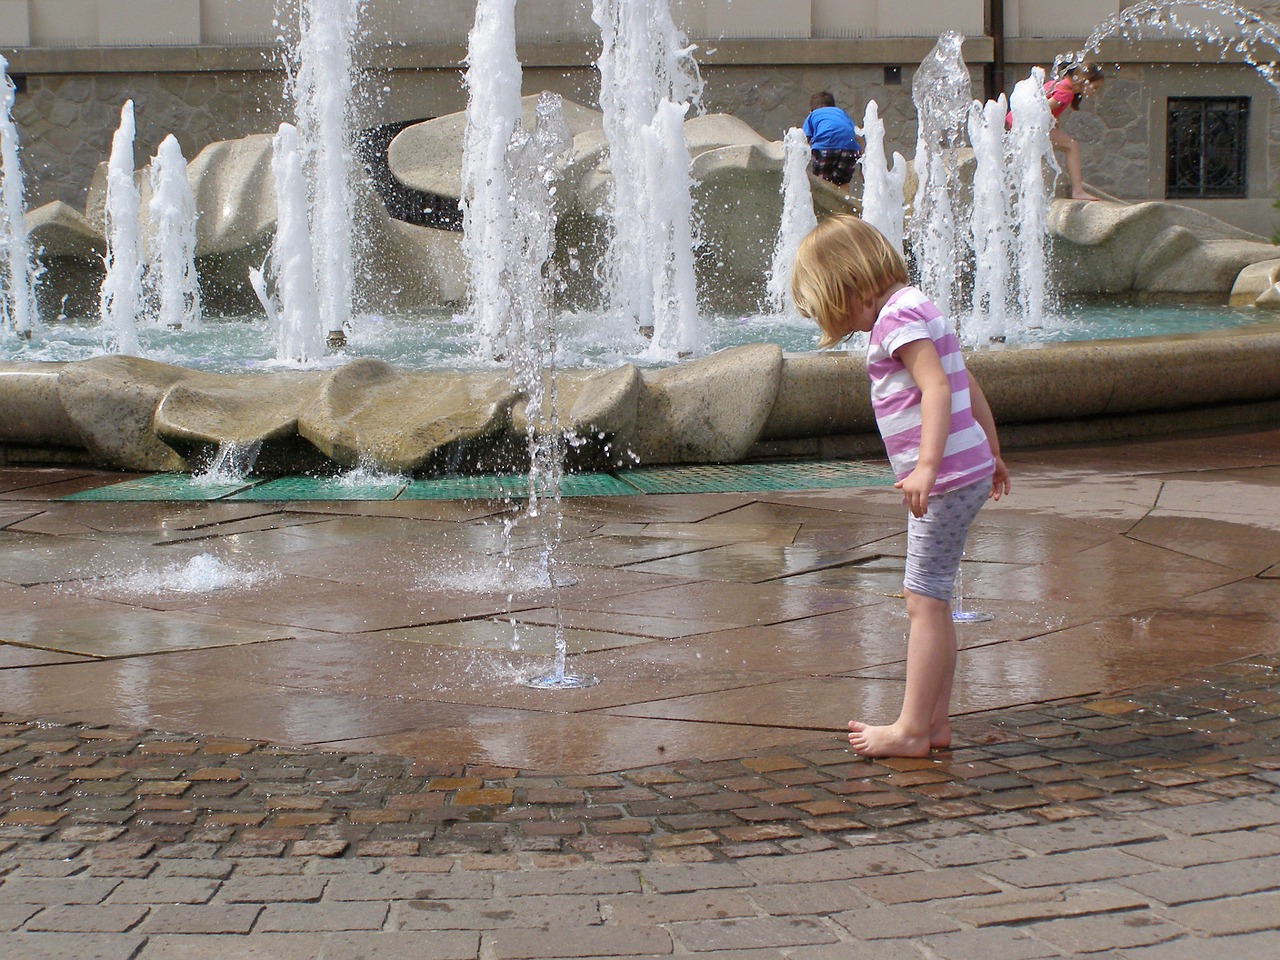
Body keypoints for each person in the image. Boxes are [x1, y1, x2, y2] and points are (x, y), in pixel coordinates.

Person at [789, 215, 1011, 759]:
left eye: (832, 308)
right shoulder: (918, 304)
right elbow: (967, 382)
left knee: (923, 601)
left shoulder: (895, 319)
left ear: (849, 284)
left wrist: (928, 467)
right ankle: (934, 723)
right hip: (966, 470)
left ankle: (911, 729)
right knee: (933, 596)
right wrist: (994, 451)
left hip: (946, 479)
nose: (840, 324)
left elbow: (937, 387)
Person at [1010, 62, 1107, 200]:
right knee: (1071, 146)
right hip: (1025, 126)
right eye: (1095, 87)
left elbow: (1050, 113)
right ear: (1084, 80)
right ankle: (1078, 191)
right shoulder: (1065, 93)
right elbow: (1040, 109)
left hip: (1016, 123)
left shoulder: (1056, 84)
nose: (1094, 91)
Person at [802, 91, 863, 194]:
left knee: (821, 183)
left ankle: (822, 207)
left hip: (825, 147)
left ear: (811, 110)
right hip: (850, 149)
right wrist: (862, 166)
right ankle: (846, 208)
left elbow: (805, 139)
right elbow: (857, 138)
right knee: (842, 182)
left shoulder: (812, 115)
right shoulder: (841, 113)